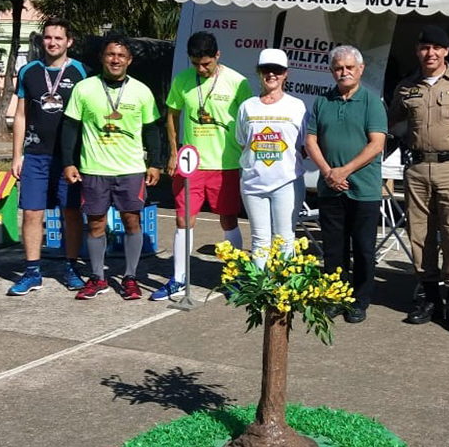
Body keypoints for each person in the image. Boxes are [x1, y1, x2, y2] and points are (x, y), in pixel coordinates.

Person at [388, 25, 449, 333]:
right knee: (420, 236)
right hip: (416, 168)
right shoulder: (406, 86)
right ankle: (430, 299)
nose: (430, 53)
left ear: (445, 51)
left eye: (436, 48)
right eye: (424, 48)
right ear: (418, 51)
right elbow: (392, 122)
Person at [62, 35, 162, 301]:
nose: (115, 60)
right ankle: (98, 277)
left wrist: (155, 163)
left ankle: (130, 277)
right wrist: (68, 162)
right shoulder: (84, 88)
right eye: (110, 54)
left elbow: (152, 129)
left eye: (121, 56)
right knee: (96, 223)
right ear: (102, 58)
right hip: (94, 169)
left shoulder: (141, 91)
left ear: (129, 60)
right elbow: (70, 127)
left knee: (132, 221)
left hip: (130, 169)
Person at [160, 31, 253, 301]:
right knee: (183, 219)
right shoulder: (183, 80)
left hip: (226, 164)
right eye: (195, 64)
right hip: (191, 164)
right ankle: (178, 278)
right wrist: (173, 152)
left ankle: (234, 277)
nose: (200, 69)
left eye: (206, 64)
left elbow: (248, 122)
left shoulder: (238, 82)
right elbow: (172, 115)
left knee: (228, 219)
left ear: (217, 56)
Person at [6, 17, 89, 296]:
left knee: (71, 212)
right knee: (31, 212)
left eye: (58, 38)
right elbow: (21, 115)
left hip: (69, 158)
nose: (52, 43)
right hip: (36, 154)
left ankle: (72, 267)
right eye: (48, 37)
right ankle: (32, 272)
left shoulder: (81, 72)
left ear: (69, 42)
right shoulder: (28, 71)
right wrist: (16, 155)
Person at [304, 45, 387, 324]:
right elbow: (311, 141)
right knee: (333, 249)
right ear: (331, 71)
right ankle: (335, 297)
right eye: (339, 68)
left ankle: (359, 301)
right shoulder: (322, 102)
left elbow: (376, 144)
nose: (344, 72)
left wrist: (344, 171)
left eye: (350, 67)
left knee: (363, 249)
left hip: (363, 190)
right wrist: (329, 172)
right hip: (330, 189)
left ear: (360, 69)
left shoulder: (372, 102)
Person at [236, 48, 307, 268]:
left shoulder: (297, 106)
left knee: (285, 239)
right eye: (266, 69)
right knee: (259, 240)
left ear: (286, 73)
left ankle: (284, 287)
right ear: (259, 72)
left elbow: (303, 144)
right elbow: (243, 142)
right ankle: (260, 287)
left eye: (277, 70)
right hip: (253, 184)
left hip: (287, 182)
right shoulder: (247, 107)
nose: (271, 74)